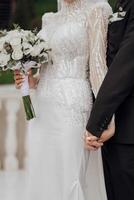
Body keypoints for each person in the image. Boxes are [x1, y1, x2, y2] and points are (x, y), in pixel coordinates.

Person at [14, 0, 113, 199]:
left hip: (73, 105)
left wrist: (108, 118)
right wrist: (30, 81)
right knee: (45, 176)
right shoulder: (49, 19)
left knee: (70, 178)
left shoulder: (96, 10)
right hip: (44, 109)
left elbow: (98, 68)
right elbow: (48, 69)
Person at [85, 0, 134, 200]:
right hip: (114, 131)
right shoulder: (116, 4)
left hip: (128, 129)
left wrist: (97, 122)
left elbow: (126, 63)